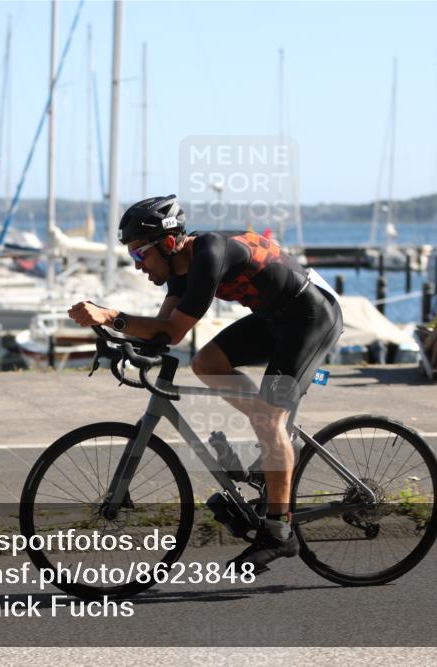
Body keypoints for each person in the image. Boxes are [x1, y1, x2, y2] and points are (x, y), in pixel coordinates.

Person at [68, 195, 343, 573]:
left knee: (268, 420)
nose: (138, 266)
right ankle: (272, 453)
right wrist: (118, 339)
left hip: (311, 316)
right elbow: (161, 331)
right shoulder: (180, 272)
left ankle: (280, 532)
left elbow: (173, 330)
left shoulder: (208, 253)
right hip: (274, 318)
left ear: (166, 244)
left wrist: (112, 316)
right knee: (207, 362)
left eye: (139, 255)